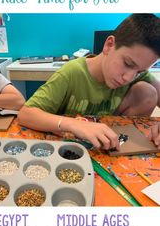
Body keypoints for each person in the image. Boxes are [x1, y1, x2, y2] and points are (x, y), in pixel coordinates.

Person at [18, 13, 160, 150]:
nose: (128, 78)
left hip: (106, 142)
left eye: (139, 71)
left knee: (147, 92)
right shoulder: (72, 72)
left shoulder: (134, 73)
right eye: (128, 64)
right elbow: (25, 114)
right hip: (69, 146)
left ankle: (118, 144)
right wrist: (73, 124)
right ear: (109, 45)